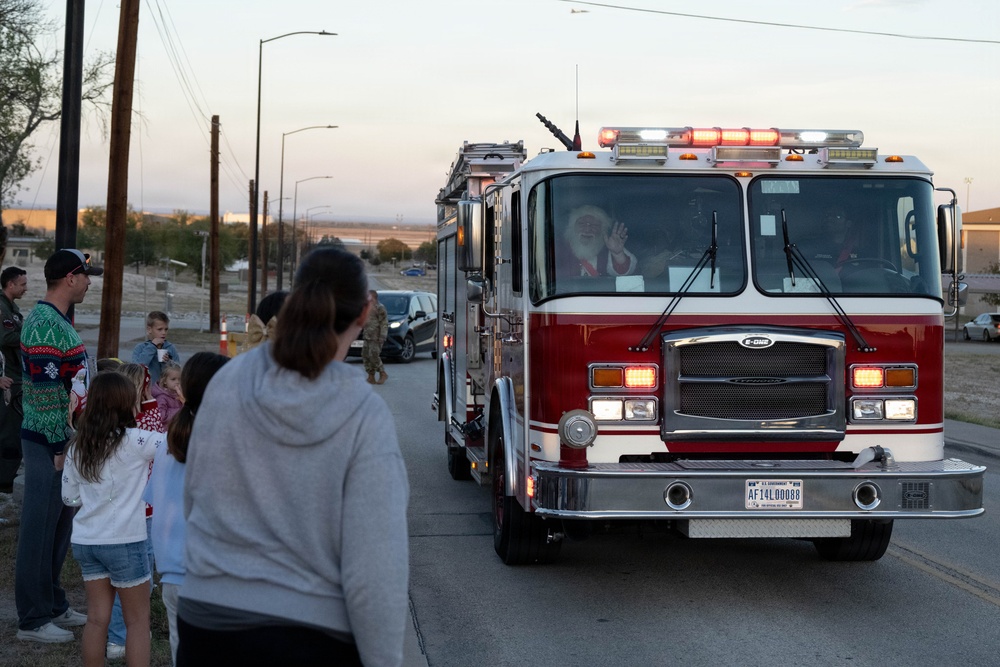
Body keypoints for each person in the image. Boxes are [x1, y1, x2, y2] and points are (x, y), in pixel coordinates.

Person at [177, 247, 410, 667]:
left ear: (296, 298)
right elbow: (375, 571)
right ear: (365, 312)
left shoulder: (228, 382)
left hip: (205, 625)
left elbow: (194, 501)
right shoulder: (362, 412)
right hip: (311, 636)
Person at [15, 248, 101, 643]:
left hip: (63, 441)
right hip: (48, 443)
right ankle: (32, 619)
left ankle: (53, 604)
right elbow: (48, 393)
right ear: (70, 278)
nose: (88, 284)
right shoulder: (43, 324)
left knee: (58, 526)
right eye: (85, 276)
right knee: (39, 528)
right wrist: (57, 447)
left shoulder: (58, 320)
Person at [61, 372, 165, 667]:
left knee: (96, 620)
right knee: (137, 622)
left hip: (87, 541)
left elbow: (69, 498)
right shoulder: (136, 440)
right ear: (126, 404)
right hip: (126, 541)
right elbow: (176, 443)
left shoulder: (78, 446)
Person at [144, 352, 230, 666]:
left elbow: (155, 499)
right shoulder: (224, 443)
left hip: (173, 575)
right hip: (214, 575)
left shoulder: (169, 443)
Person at [104, 362, 163, 659]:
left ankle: (126, 630)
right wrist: (149, 400)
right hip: (142, 511)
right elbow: (160, 437)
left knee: (122, 577)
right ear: (139, 391)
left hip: (117, 510)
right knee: (137, 577)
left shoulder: (107, 422)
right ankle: (120, 636)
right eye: (147, 387)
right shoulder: (142, 424)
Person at [0, 266, 27, 493]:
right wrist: (29, 335)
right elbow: (5, 336)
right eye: (22, 284)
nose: (25, 288)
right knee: (9, 433)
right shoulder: (2, 309)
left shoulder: (12, 308)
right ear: (10, 284)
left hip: (15, 376)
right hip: (7, 379)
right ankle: (4, 481)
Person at [558, 205, 637, 277]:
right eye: (582, 224)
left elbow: (624, 274)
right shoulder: (559, 248)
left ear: (602, 230)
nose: (587, 229)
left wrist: (618, 254)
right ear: (573, 227)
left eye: (594, 225)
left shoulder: (610, 247)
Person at [131, 310, 180, 384]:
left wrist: (168, 362)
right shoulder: (140, 348)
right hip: (147, 388)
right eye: (160, 329)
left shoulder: (170, 348)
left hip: (165, 389)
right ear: (149, 329)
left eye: (166, 329)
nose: (164, 333)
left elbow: (177, 372)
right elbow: (137, 370)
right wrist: (152, 346)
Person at [362, 289, 388, 384]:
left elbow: (384, 323)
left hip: (376, 337)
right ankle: (371, 376)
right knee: (365, 356)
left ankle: (382, 373)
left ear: (374, 297)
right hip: (367, 335)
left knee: (374, 356)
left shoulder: (380, 308)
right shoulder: (367, 307)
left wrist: (382, 336)